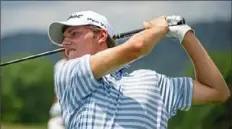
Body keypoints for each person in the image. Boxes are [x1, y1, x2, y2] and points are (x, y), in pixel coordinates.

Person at [47, 10, 230, 129]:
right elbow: (137, 47)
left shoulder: (153, 81)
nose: (65, 42)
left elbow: (218, 91)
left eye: (74, 34)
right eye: (64, 37)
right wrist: (160, 28)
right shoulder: (69, 73)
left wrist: (184, 34)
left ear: (101, 35)